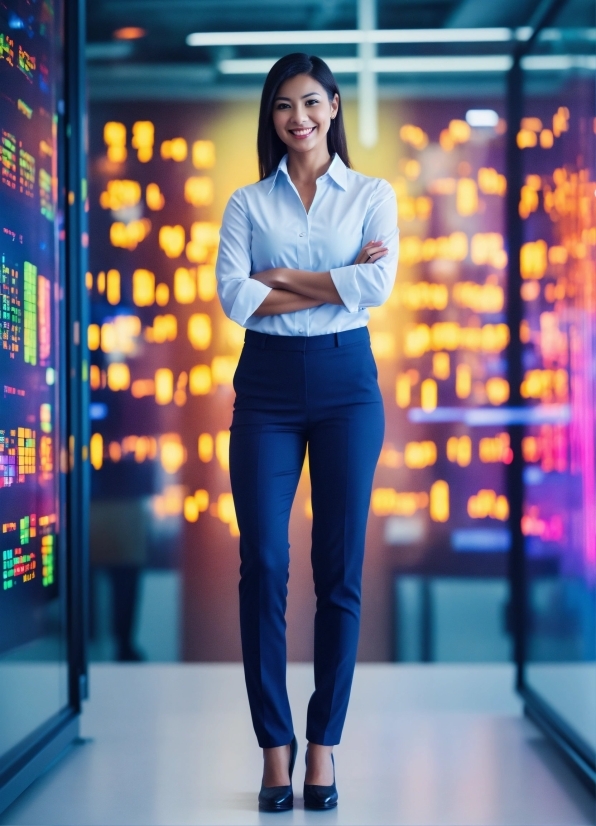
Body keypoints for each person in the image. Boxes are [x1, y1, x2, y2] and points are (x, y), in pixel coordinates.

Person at [216, 52, 398, 812]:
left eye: (312, 103)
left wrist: (280, 281)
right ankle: (274, 749)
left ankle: (323, 746)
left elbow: (376, 287)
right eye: (285, 105)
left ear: (332, 109)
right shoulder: (247, 203)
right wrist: (331, 280)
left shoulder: (372, 194)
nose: (299, 118)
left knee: (339, 570)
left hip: (347, 385)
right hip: (264, 386)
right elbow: (235, 298)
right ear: (272, 115)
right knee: (262, 563)